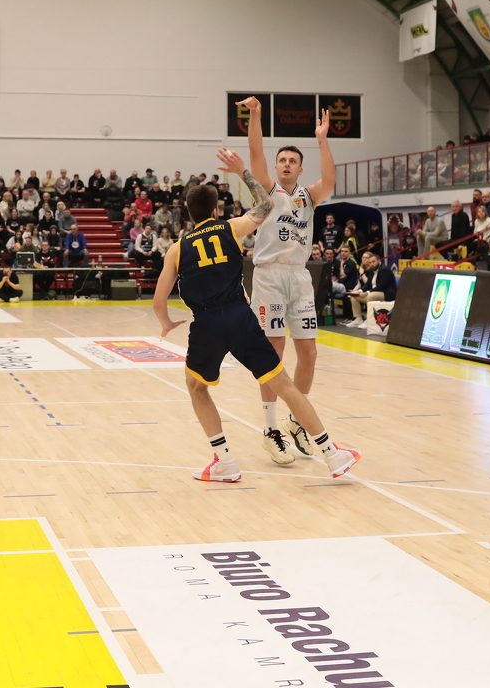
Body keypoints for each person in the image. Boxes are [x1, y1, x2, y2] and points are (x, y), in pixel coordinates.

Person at [152, 154, 360, 483]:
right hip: (240, 316)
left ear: (188, 214)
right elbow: (266, 205)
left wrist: (166, 322)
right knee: (284, 384)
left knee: (196, 388)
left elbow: (158, 300)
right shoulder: (231, 227)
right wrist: (244, 174)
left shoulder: (176, 249)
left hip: (206, 323)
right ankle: (332, 454)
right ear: (216, 210)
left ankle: (225, 461)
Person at [239, 96, 335, 464]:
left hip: (299, 276)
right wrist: (255, 114)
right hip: (268, 276)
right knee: (274, 351)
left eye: (292, 161)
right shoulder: (267, 189)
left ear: (299, 168)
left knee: (309, 352)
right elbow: (255, 150)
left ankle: (297, 421)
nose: (285, 164)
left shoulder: (309, 196)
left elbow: (330, 179)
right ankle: (270, 429)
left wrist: (322, 140)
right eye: (282, 159)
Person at [345, 250, 396, 326]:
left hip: (386, 294)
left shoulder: (384, 270)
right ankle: (358, 318)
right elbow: (368, 284)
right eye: (370, 262)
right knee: (354, 295)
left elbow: (381, 286)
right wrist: (360, 291)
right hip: (374, 292)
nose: (372, 264)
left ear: (379, 261)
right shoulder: (371, 270)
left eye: (373, 262)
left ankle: (368, 320)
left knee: (370, 296)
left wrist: (367, 292)